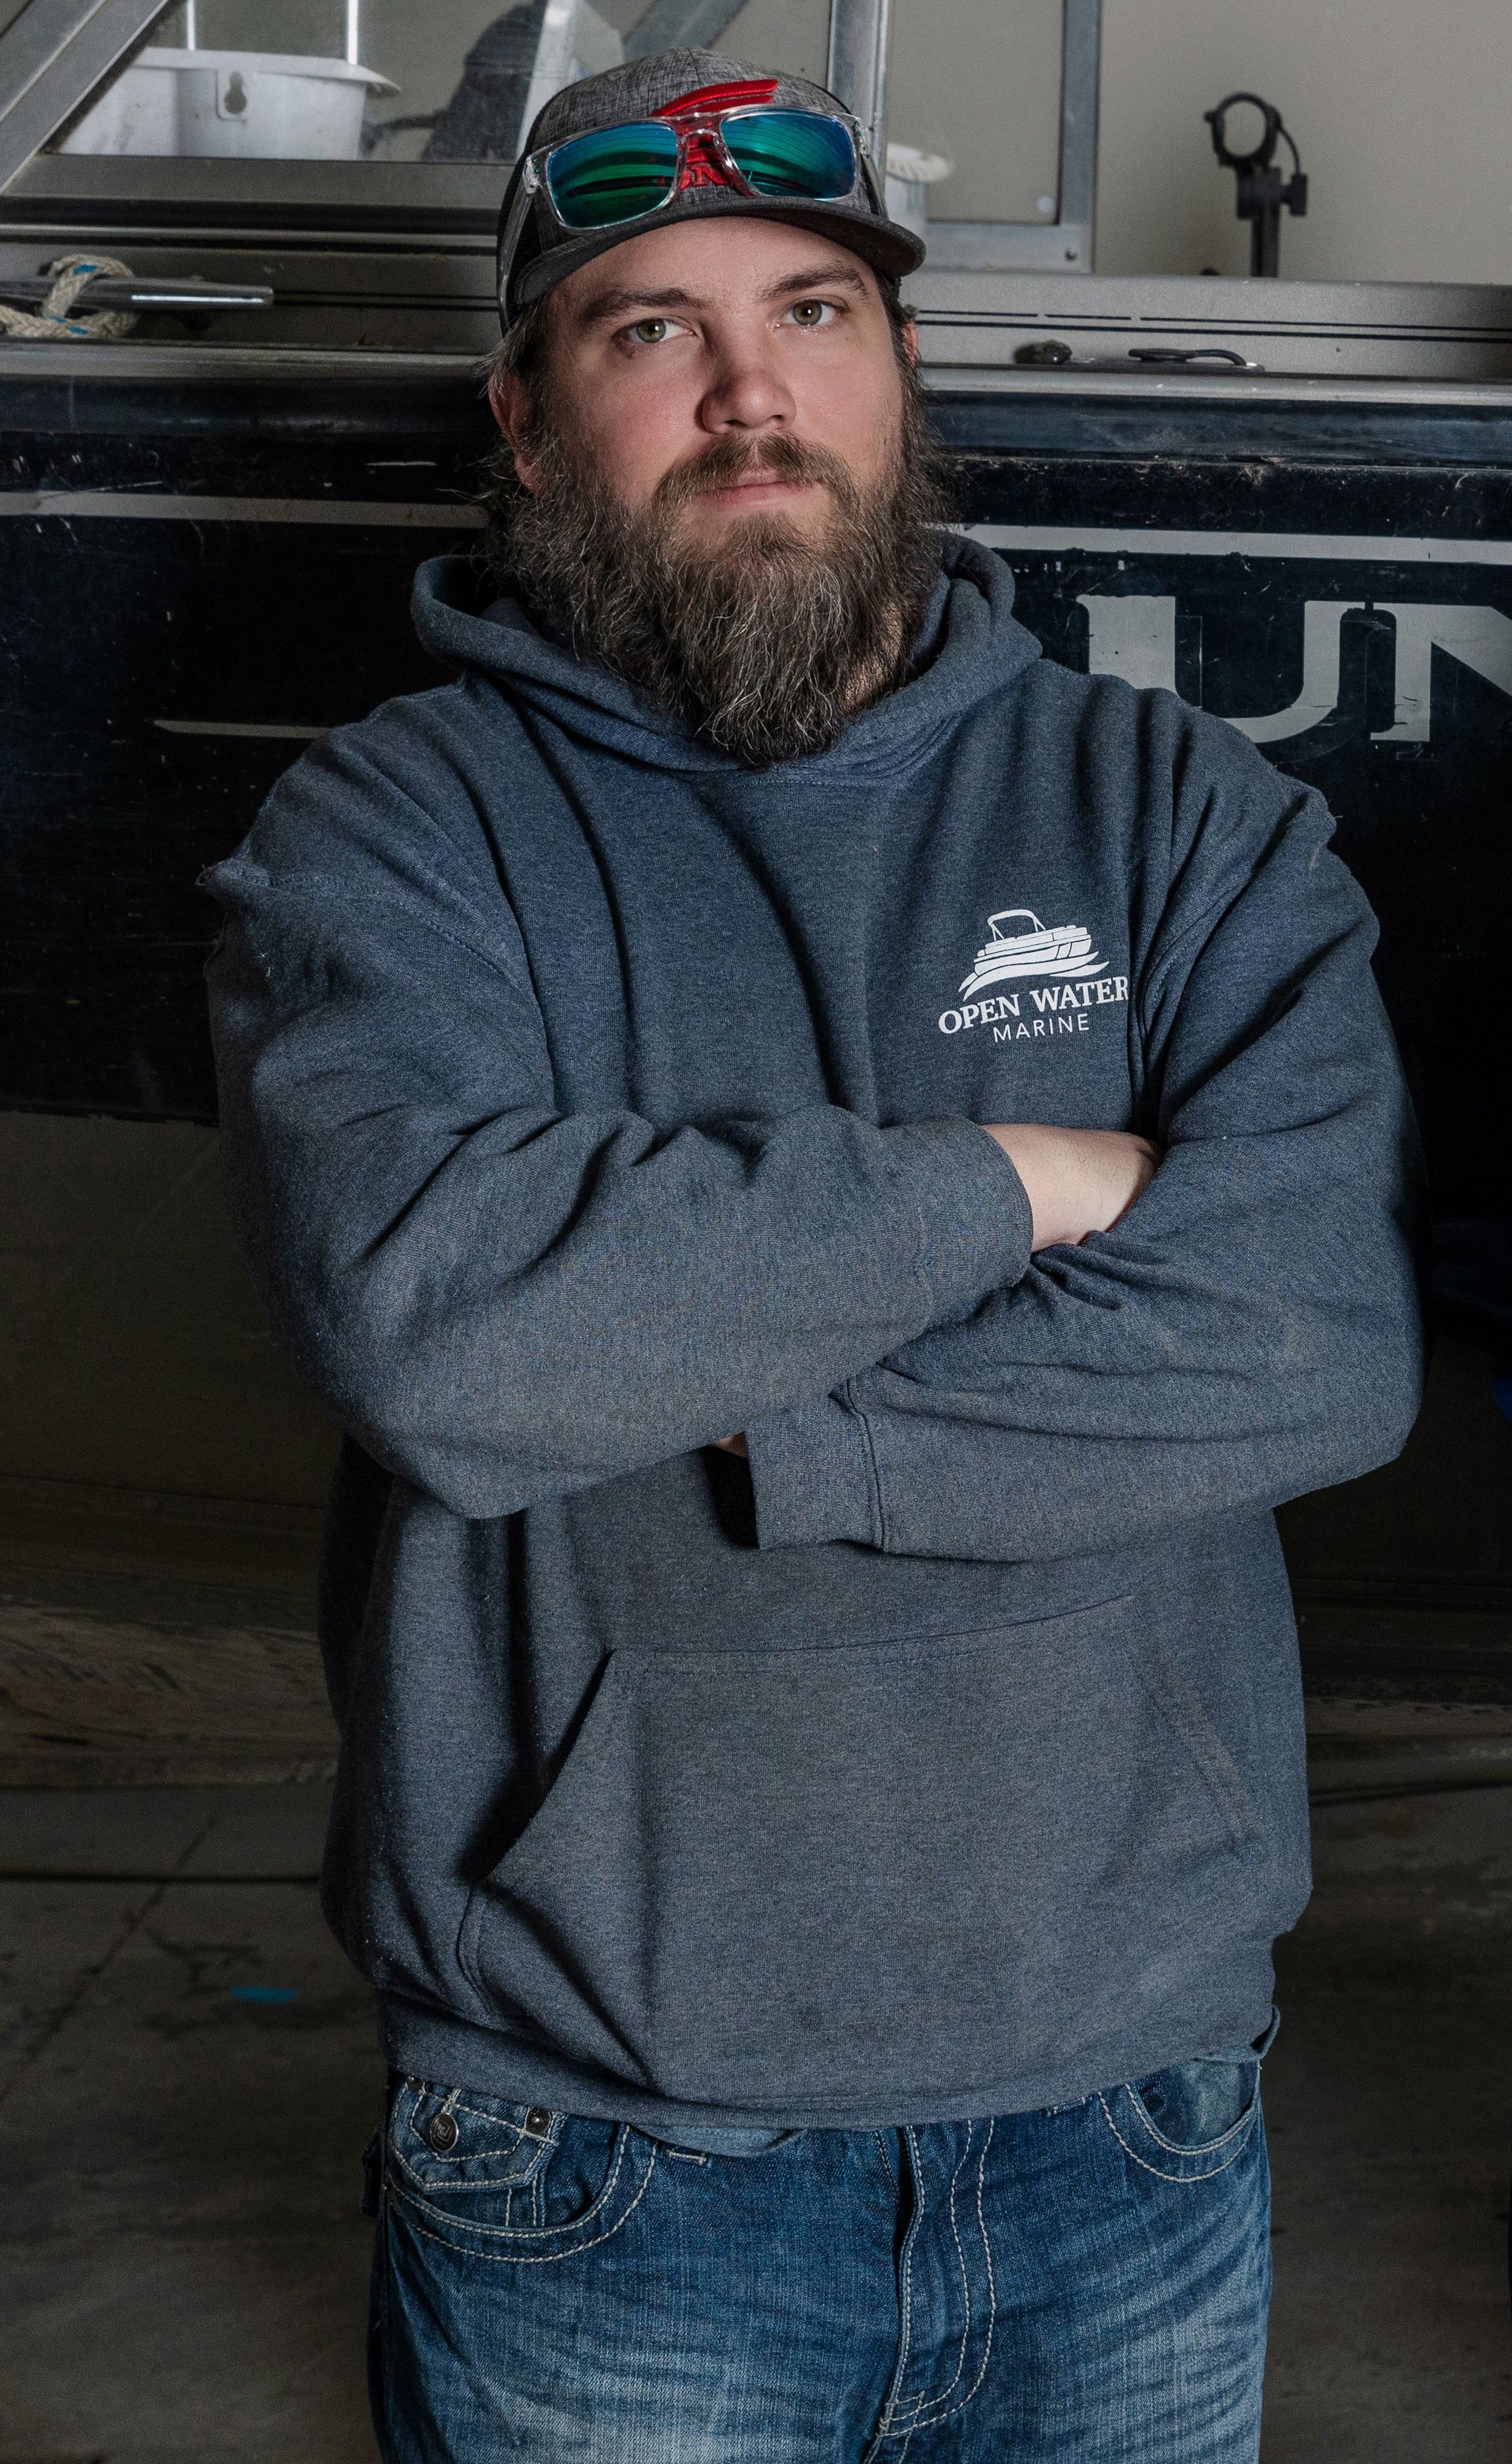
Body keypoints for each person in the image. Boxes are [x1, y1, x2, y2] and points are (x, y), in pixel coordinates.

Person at [204, 46, 1424, 2463]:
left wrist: (760, 1394)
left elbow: (1314, 1343)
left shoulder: (1178, 813)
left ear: (902, 379)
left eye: (816, 313)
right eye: (649, 328)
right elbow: (443, 1333)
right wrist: (1022, 1180)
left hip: (1135, 2118)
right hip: (600, 2138)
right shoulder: (387, 840)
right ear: (533, 425)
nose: (753, 391)